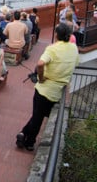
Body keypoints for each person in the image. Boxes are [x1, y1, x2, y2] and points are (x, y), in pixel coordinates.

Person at [16, 22, 80, 152]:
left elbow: (40, 64)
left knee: (37, 116)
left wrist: (41, 77)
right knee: (38, 115)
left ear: (56, 35)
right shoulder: (74, 48)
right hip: (59, 89)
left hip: (45, 88)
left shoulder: (52, 48)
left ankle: (28, 140)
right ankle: (25, 136)